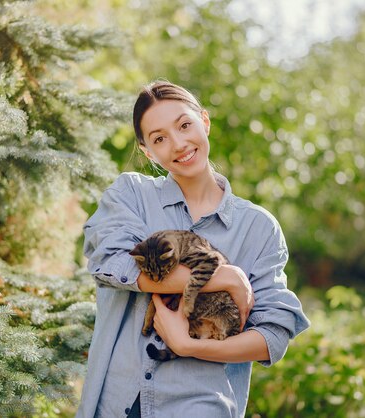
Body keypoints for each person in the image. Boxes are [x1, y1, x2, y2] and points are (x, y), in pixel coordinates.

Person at [77, 81, 310, 418]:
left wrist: (188, 346)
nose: (178, 144)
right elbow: (111, 262)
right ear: (147, 151)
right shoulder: (131, 194)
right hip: (116, 402)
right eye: (159, 138)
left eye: (185, 125)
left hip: (200, 406)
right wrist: (223, 277)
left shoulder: (258, 227)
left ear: (205, 121)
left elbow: (272, 335)